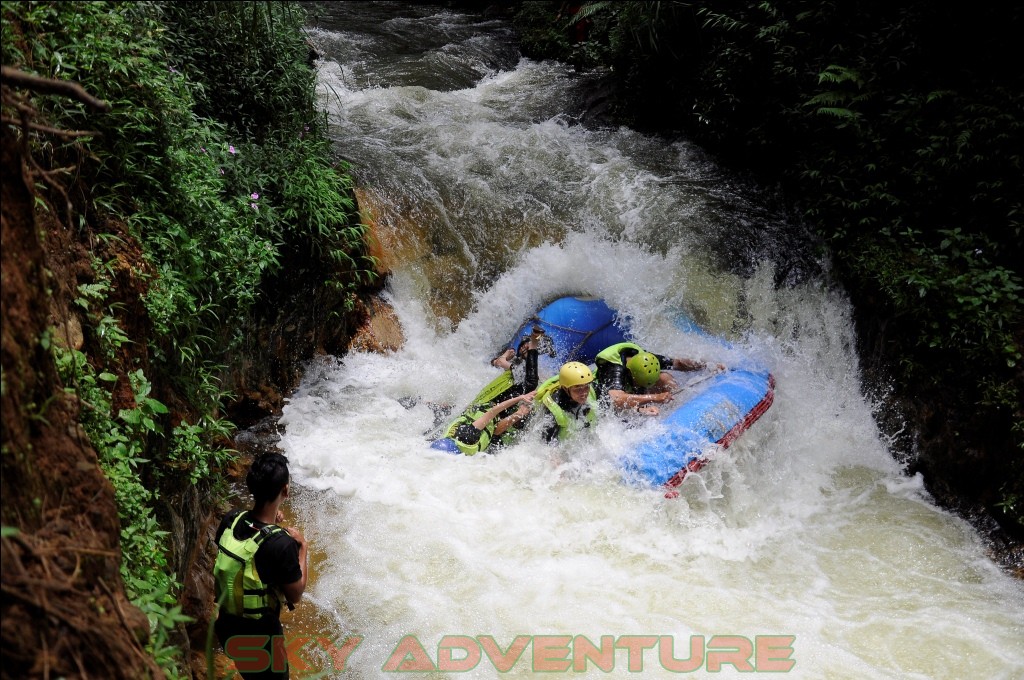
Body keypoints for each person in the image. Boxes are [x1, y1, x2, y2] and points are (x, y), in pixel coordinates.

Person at [213, 453, 308, 679]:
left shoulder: (232, 518)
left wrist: (271, 523)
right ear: (285, 490)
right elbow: (296, 594)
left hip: (227, 628)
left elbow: (246, 553)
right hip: (261, 640)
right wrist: (303, 547)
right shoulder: (283, 545)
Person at [432, 331, 544, 455]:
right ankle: (534, 343)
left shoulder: (466, 437)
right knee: (530, 383)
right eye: (524, 346)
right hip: (493, 412)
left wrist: (502, 358)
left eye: (527, 348)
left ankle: (534, 343)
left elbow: (493, 412)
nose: (523, 349)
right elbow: (495, 425)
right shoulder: (518, 367)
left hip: (490, 408)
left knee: (530, 383)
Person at [594, 341, 718, 416]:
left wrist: (708, 365)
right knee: (624, 402)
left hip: (628, 390)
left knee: (664, 377)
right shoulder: (614, 369)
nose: (642, 387)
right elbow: (616, 399)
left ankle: (676, 408)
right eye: (639, 383)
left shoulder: (646, 359)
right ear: (631, 374)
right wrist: (653, 398)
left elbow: (678, 363)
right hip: (604, 397)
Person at [535, 361, 599, 443]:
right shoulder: (553, 409)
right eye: (577, 388)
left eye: (586, 386)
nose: (584, 393)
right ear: (565, 389)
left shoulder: (591, 391)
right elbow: (546, 444)